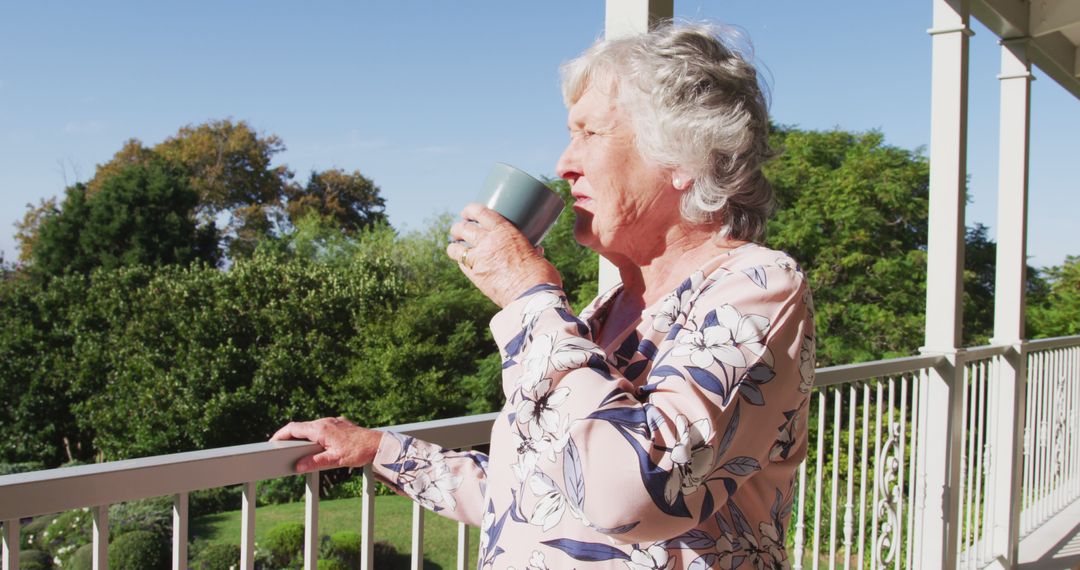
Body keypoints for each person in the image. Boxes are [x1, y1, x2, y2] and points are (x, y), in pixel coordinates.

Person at [272, 21, 815, 569]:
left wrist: (528, 295)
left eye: (590, 134)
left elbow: (633, 494)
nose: (564, 164)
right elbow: (537, 497)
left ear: (684, 157)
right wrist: (382, 451)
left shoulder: (759, 289)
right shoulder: (605, 315)